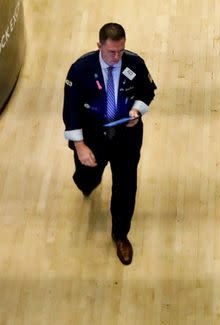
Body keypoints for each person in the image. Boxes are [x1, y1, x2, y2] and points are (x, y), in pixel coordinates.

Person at [63, 23, 156, 265]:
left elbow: (148, 91)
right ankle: (86, 182)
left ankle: (120, 234)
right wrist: (80, 147)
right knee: (87, 175)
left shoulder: (135, 64)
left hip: (127, 138)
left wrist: (137, 110)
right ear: (99, 46)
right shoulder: (80, 70)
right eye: (112, 52)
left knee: (125, 187)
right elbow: (71, 110)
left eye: (121, 51)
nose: (117, 57)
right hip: (93, 138)